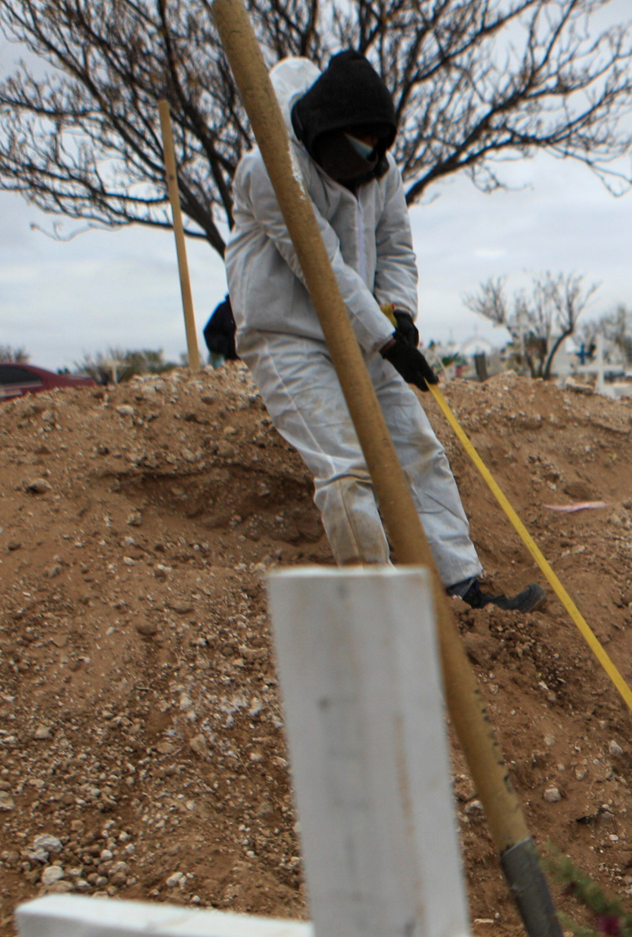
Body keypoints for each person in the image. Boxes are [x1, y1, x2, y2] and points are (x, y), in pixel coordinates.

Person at [225, 53, 542, 611]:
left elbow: (396, 247)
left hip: (365, 333)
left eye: (376, 149)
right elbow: (320, 268)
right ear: (323, 131)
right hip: (288, 335)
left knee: (420, 451)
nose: (367, 161)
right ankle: (383, 608)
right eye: (356, 147)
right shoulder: (269, 169)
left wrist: (400, 316)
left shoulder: (383, 172)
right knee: (346, 469)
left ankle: (461, 588)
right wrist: (385, 338)